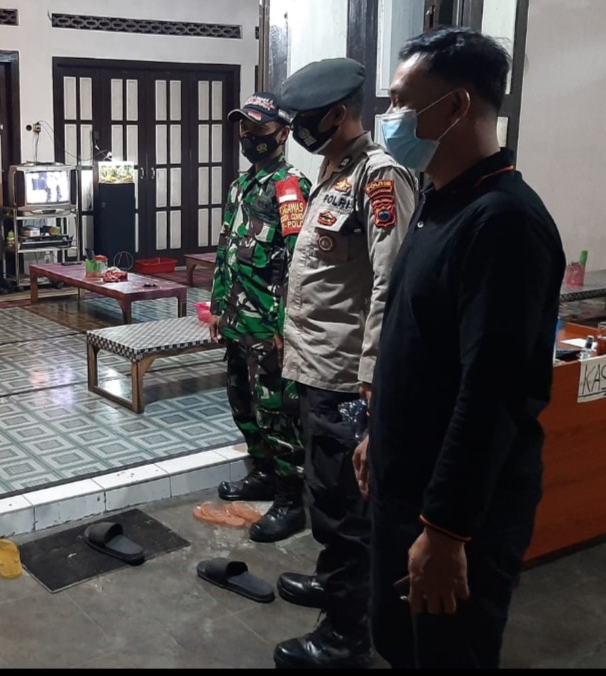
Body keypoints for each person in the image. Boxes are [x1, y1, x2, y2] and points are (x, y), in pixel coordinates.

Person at [359, 27, 566, 669]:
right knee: (399, 643)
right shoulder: (440, 202)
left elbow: (493, 391)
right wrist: (378, 434)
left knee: (447, 655)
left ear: (454, 106)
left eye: (401, 101)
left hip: (454, 515)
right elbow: (416, 344)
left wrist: (446, 531)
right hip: (407, 486)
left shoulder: (503, 221)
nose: (390, 116)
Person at [273, 58, 419, 669]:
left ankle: (345, 635)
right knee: (325, 496)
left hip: (344, 378)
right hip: (314, 366)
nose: (297, 130)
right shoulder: (332, 171)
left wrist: (372, 380)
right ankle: (335, 587)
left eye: (305, 119)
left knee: (345, 513)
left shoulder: (379, 177)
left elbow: (390, 286)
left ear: (338, 114)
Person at [208, 92, 312, 543]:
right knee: (243, 403)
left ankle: (292, 498)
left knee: (277, 412)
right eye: (244, 128)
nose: (249, 137)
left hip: (269, 326)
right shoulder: (241, 185)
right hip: (237, 319)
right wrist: (217, 307)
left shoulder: (289, 187)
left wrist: (288, 326)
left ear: (283, 134)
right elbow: (226, 250)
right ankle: (264, 473)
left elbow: (300, 264)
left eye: (259, 129)